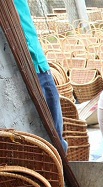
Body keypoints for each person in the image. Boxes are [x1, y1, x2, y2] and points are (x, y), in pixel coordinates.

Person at [15, 0, 68, 154]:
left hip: (37, 64)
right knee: (49, 136)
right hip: (28, 65)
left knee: (54, 135)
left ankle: (59, 166)